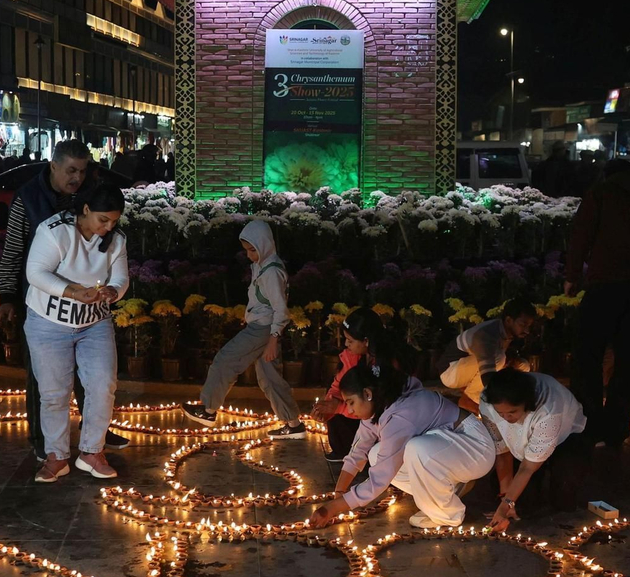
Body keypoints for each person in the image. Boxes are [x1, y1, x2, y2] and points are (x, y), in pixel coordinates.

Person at [0, 140, 126, 453]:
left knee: (94, 375)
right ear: (53, 166)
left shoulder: (90, 193)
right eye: (71, 170)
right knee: (46, 378)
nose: (77, 177)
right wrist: (7, 296)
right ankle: (44, 442)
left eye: (82, 171)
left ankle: (95, 435)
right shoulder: (28, 198)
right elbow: (13, 252)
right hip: (42, 300)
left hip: (88, 306)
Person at [23, 182, 129, 483]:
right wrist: (71, 291)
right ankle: (57, 455)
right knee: (54, 393)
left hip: (94, 323)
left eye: (114, 221)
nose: (109, 227)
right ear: (85, 210)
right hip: (47, 322)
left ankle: (91, 451)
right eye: (103, 220)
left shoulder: (115, 240)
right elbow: (36, 273)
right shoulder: (55, 231)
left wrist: (112, 290)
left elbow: (121, 277)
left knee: (103, 383)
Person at [307, 362, 496, 529]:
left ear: (368, 393)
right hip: (449, 448)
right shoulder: (379, 407)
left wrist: (332, 508)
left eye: (351, 402)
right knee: (375, 454)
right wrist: (339, 494)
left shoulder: (400, 415)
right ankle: (448, 490)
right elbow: (358, 451)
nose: (348, 410)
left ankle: (448, 515)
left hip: (475, 447)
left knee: (416, 449)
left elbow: (379, 478)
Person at [565, 158, 630, 446]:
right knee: (627, 361)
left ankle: (589, 423)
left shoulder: (599, 196)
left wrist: (572, 276)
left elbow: (580, 237)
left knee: (588, 356)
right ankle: (617, 428)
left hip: (603, 288)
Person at [182, 220, 305, 438]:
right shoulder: (263, 265)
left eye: (252, 250)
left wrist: (273, 339)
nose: (249, 255)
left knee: (225, 360)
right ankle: (293, 425)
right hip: (263, 327)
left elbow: (281, 310)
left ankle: (208, 410)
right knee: (270, 378)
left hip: (262, 329)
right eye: (247, 250)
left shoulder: (271, 272)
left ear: (264, 245)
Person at [480, 368, 590, 530]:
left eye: (512, 412)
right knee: (523, 504)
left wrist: (505, 506)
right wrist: (505, 498)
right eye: (500, 413)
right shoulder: (488, 401)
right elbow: (502, 450)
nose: (506, 418)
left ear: (526, 403)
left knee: (564, 500)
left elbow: (527, 468)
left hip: (566, 438)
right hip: (523, 446)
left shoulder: (548, 411)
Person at [310, 308, 403, 464]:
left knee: (376, 455)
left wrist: (339, 408)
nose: (346, 344)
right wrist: (325, 408)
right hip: (359, 414)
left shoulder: (389, 364)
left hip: (382, 422)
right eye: (345, 339)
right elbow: (338, 386)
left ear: (366, 341)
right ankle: (345, 450)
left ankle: (367, 456)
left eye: (351, 340)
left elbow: (380, 406)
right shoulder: (352, 355)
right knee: (337, 391)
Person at [435, 298, 537, 413]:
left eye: (529, 326)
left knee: (523, 366)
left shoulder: (507, 333)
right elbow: (488, 377)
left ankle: (476, 392)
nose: (527, 330)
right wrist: (502, 406)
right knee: (498, 358)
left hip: (473, 369)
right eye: (523, 325)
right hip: (450, 373)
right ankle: (469, 399)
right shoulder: (486, 335)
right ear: (508, 320)